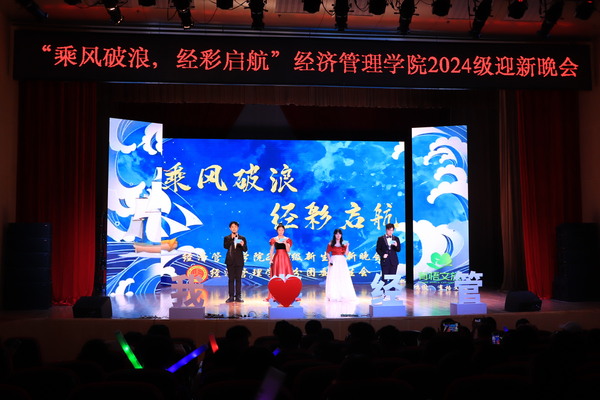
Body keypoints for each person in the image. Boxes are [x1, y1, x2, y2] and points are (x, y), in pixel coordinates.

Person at [325, 228, 357, 301]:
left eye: (339, 234)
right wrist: (330, 260)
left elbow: (346, 253)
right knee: (334, 276)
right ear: (334, 235)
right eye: (336, 234)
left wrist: (347, 246)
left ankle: (343, 294)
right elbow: (327, 252)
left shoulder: (344, 243)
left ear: (341, 235)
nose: (338, 235)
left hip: (342, 260)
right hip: (334, 260)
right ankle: (334, 295)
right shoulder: (331, 243)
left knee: (342, 276)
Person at [266, 224, 293, 301]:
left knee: (286, 274)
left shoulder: (287, 239)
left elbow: (288, 250)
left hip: (285, 258)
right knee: (277, 274)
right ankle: (276, 294)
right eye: (279, 230)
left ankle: (286, 293)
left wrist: (285, 243)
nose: (281, 231)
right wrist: (270, 259)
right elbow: (271, 250)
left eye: (282, 230)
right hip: (277, 258)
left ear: (284, 231)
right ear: (277, 231)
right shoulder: (274, 239)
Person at [224, 221, 247, 303]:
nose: (234, 228)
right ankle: (231, 297)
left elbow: (245, 249)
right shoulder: (227, 238)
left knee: (238, 279)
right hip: (230, 261)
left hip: (239, 261)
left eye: (235, 227)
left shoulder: (242, 238)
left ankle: (238, 296)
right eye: (232, 227)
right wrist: (232, 239)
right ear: (230, 228)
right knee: (231, 279)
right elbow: (225, 246)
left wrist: (243, 245)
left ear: (238, 228)